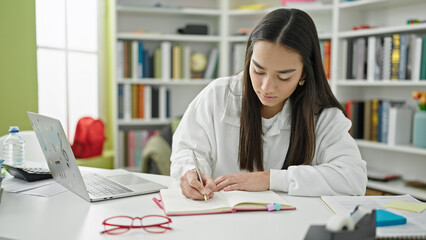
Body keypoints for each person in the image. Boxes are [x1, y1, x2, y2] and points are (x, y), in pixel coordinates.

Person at [170, 8, 367, 200]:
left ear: (303, 74)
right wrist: (191, 172)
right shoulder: (218, 95)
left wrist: (270, 179)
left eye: (283, 77)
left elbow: (353, 178)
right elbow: (187, 150)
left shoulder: (323, 115)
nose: (267, 87)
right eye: (258, 71)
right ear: (249, 60)